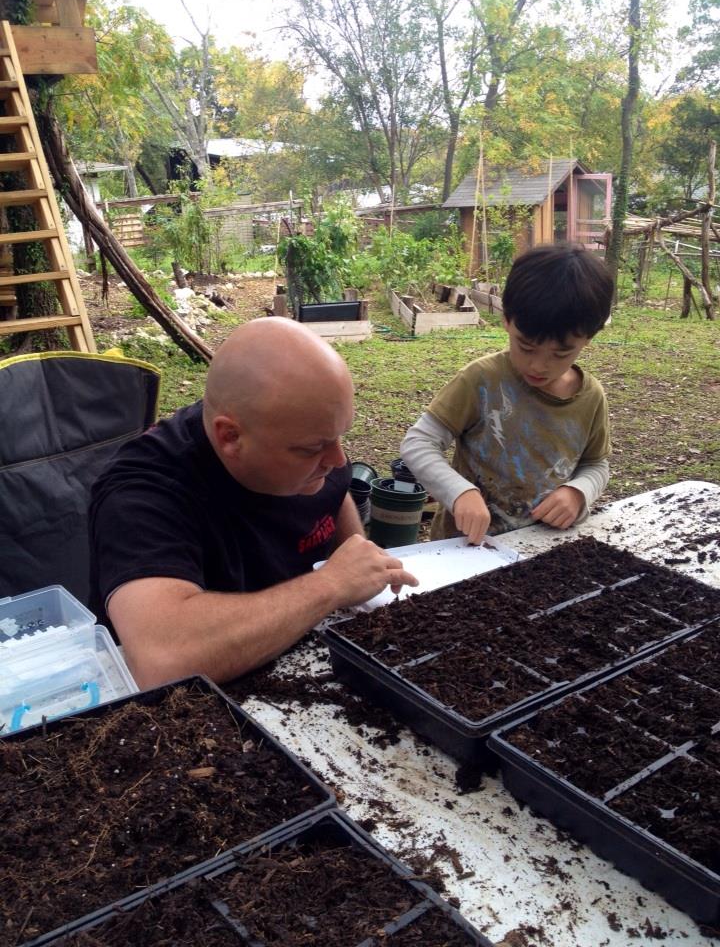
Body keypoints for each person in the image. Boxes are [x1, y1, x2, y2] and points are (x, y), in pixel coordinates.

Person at [89, 317, 418, 688]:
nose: (339, 460)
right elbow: (164, 658)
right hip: (196, 702)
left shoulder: (303, 438)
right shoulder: (143, 494)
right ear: (230, 437)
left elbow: (335, 494)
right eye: (312, 448)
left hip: (300, 667)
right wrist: (330, 585)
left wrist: (354, 555)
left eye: (340, 436)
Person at [400, 243, 613, 544]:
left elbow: (596, 464)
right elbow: (418, 443)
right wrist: (459, 492)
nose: (538, 366)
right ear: (506, 319)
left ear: (589, 337)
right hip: (466, 547)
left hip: (544, 545)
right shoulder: (481, 380)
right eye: (526, 346)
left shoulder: (591, 398)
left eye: (560, 354)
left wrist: (579, 492)